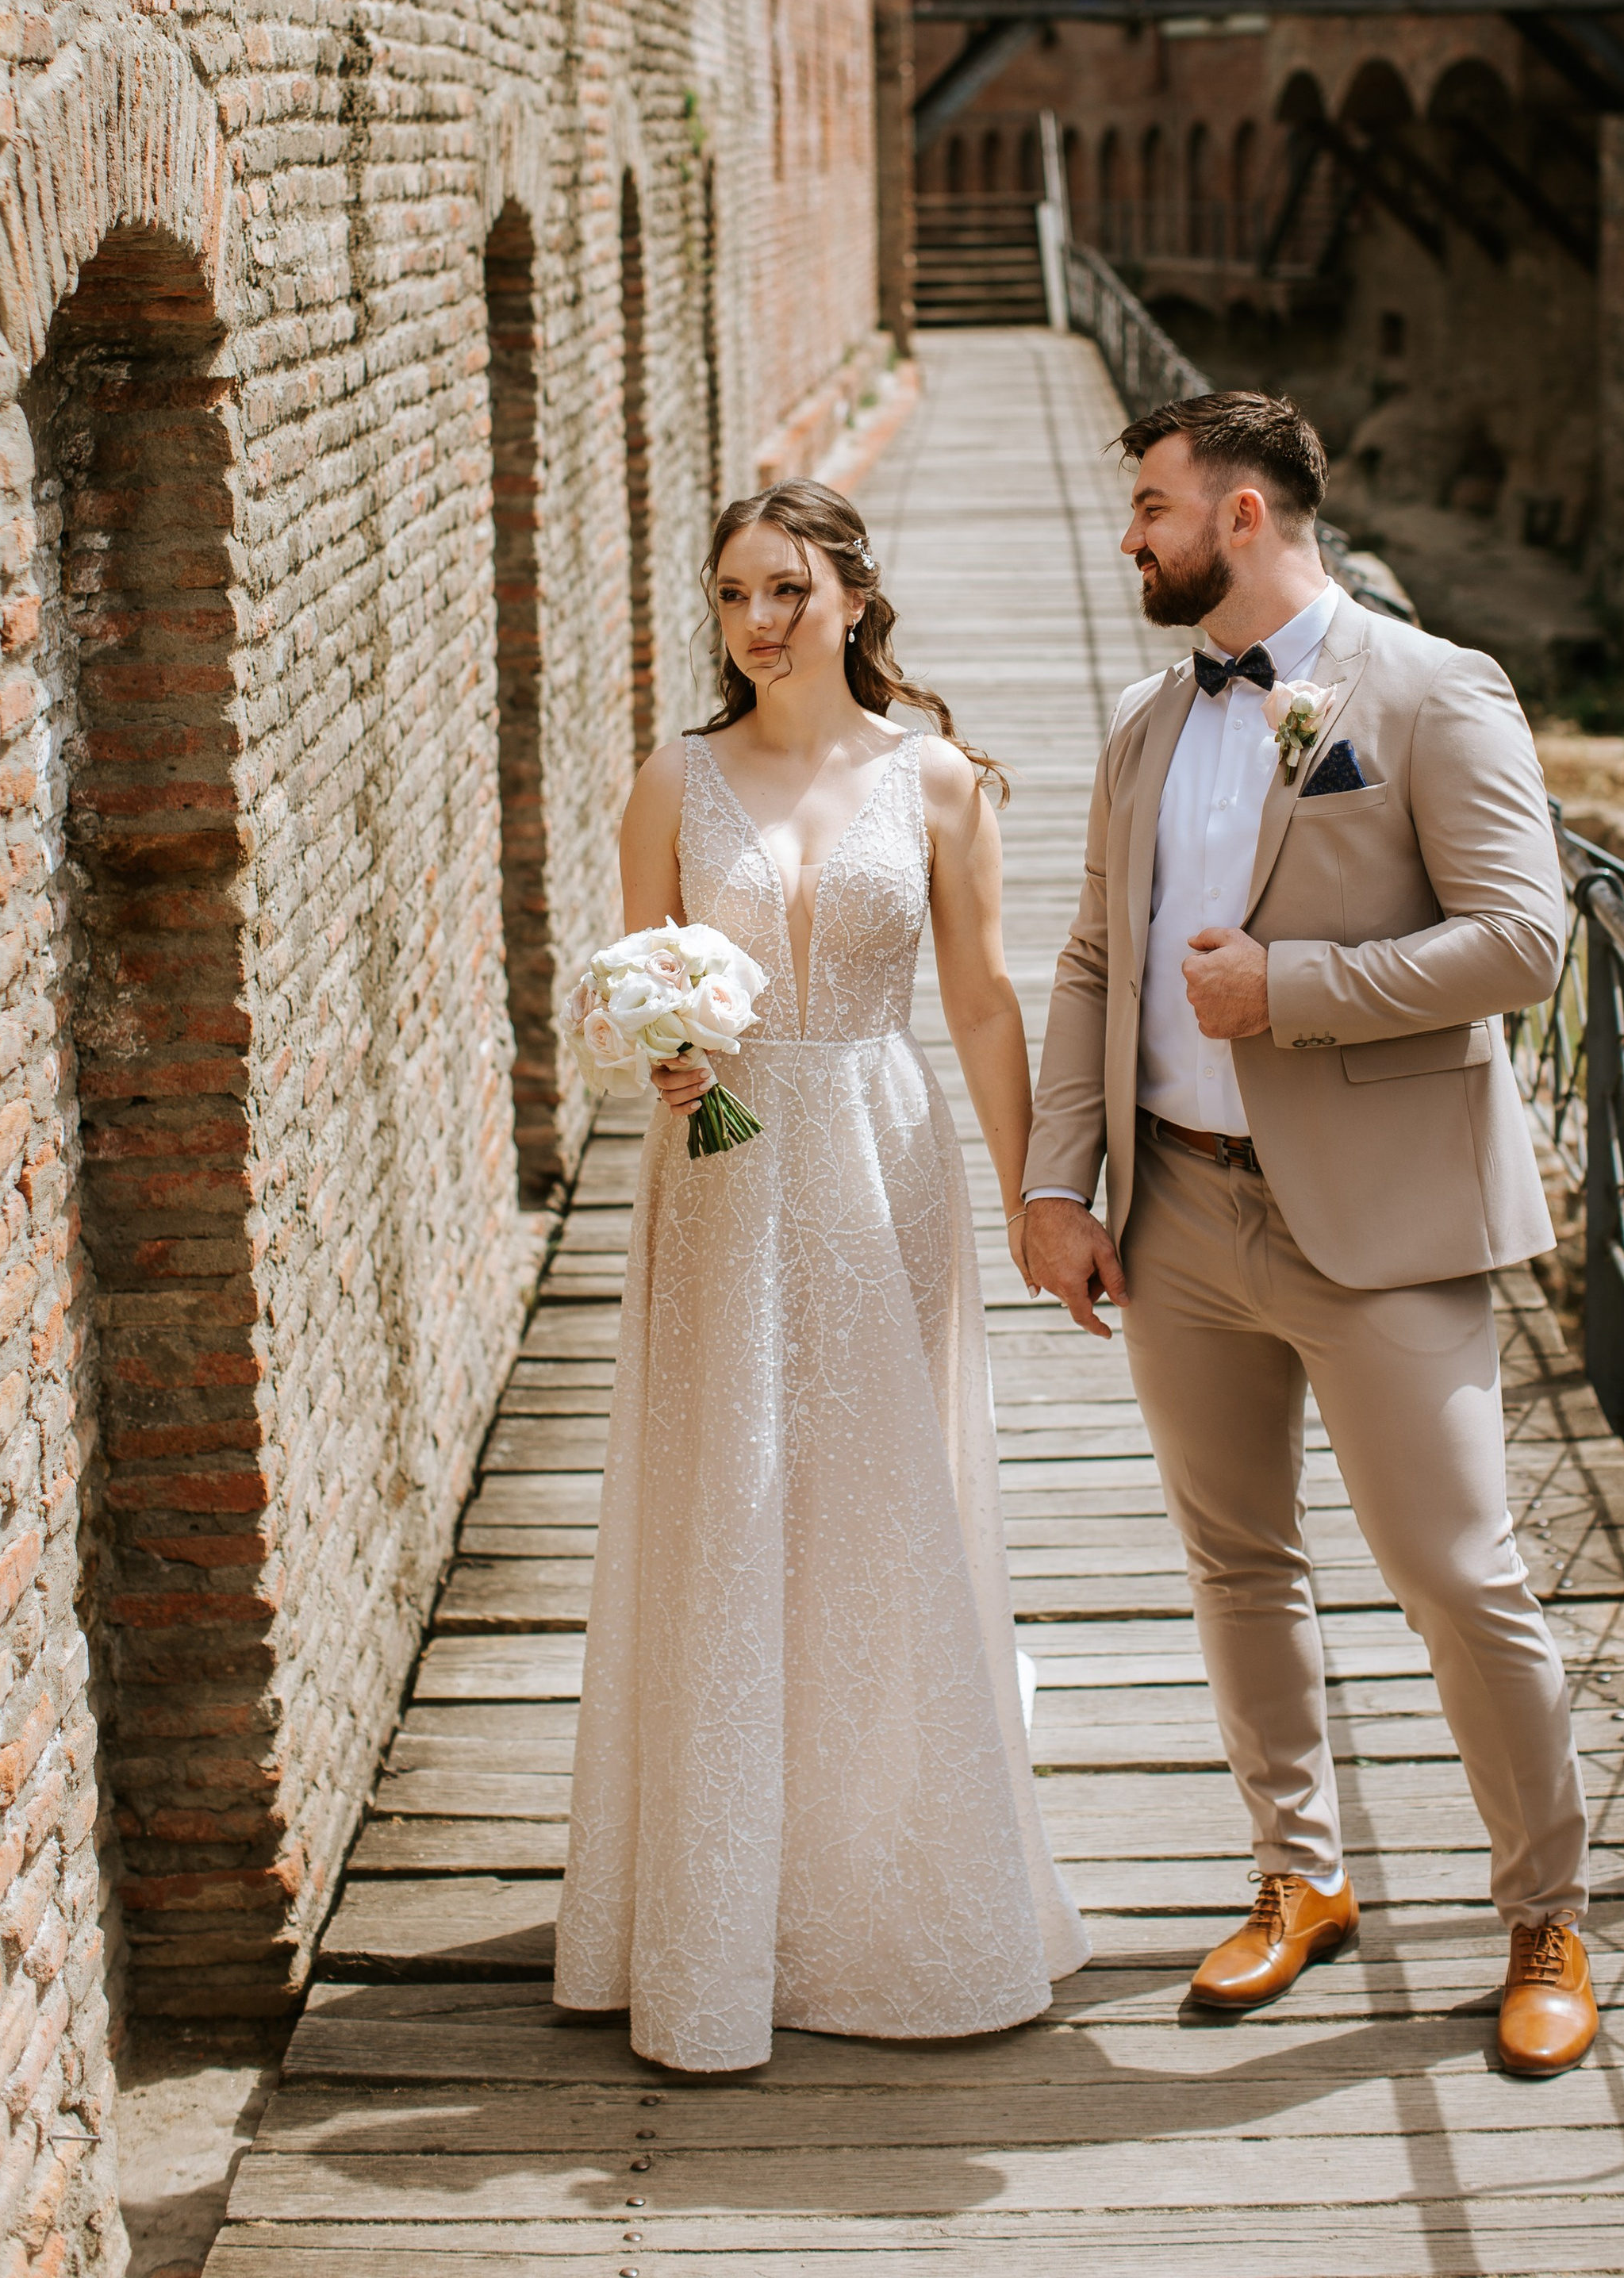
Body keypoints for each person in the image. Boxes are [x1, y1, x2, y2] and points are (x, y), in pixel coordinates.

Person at [1016, 392, 1599, 2080]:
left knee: (1458, 1577)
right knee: (1236, 1563)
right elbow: (1090, 961)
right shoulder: (1145, 724)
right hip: (1179, 1212)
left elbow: (1523, 941)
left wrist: (1294, 990)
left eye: (1152, 505)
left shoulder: (1432, 689)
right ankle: (1299, 1875)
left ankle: (1543, 1917)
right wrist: (1058, 1183)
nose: (1130, 535)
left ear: (1244, 514)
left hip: (1384, 1220)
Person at [558, 482, 1088, 2072]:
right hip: (720, 1175)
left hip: (880, 1152)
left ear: (852, 596)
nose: (757, 622)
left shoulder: (938, 782)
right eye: (732, 594)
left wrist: (1037, 1194)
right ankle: (713, 1906)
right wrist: (659, 1056)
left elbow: (982, 1003)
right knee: (724, 1497)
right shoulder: (672, 779)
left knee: (874, 1503)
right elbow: (631, 983)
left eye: (785, 588)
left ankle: (883, 1886)